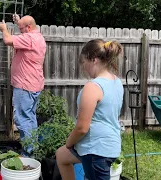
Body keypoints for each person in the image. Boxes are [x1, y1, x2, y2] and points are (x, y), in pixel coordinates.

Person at [56, 39, 124, 180]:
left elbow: (82, 128)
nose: (83, 68)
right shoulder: (116, 81)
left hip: (96, 151)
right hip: (110, 145)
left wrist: (69, 142)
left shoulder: (93, 87)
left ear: (93, 60)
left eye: (83, 62)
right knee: (62, 155)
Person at [0, 14, 47, 156]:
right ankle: (33, 148)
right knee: (30, 117)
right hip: (33, 84)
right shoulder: (37, 37)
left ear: (29, 27)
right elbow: (23, 33)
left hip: (25, 85)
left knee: (21, 118)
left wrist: (3, 29)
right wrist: (19, 22)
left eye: (21, 28)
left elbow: (7, 40)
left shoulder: (29, 38)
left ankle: (28, 152)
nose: (19, 30)